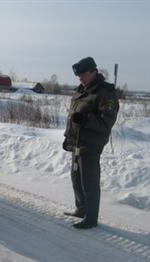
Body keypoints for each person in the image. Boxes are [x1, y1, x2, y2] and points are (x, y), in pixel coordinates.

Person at [63, 57, 119, 229]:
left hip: (91, 144)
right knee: (76, 178)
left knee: (89, 181)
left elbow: (106, 123)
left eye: (82, 75)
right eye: (78, 76)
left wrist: (86, 119)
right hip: (77, 142)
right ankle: (81, 209)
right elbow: (73, 117)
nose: (80, 79)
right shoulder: (81, 90)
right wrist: (68, 137)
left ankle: (91, 218)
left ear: (93, 71)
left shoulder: (105, 92)